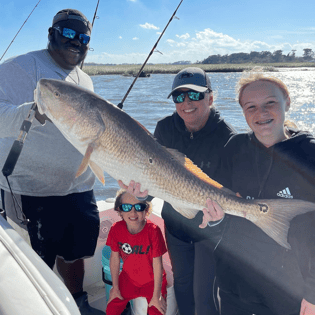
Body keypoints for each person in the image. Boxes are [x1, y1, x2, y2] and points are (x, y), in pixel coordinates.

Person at [0, 9, 105, 315]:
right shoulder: (17, 68)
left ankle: (78, 303)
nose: (76, 42)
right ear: (52, 33)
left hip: (79, 185)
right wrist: (28, 112)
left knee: (76, 253)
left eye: (83, 38)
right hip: (31, 187)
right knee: (35, 261)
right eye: (68, 33)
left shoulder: (83, 78)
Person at [202, 70, 315, 315]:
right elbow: (220, 212)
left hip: (290, 290)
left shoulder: (309, 154)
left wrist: (313, 292)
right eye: (250, 106)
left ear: (287, 102)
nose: (260, 113)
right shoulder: (235, 147)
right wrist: (215, 219)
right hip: (234, 282)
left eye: (270, 103)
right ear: (242, 111)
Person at [153, 67, 236, 315]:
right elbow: (151, 172)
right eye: (179, 97)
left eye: (195, 95)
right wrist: (138, 193)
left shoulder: (228, 137)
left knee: (205, 295)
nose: (186, 103)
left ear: (210, 98)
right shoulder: (164, 128)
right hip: (176, 227)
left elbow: (231, 192)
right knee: (183, 284)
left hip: (209, 231)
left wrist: (217, 220)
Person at [106, 189, 168, 315]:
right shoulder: (116, 229)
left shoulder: (153, 231)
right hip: (128, 280)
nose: (133, 212)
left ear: (146, 210)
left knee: (158, 311)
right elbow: (114, 259)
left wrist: (156, 296)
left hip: (152, 282)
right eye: (126, 207)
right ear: (120, 211)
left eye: (139, 207)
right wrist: (115, 288)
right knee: (111, 309)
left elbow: (158, 265)